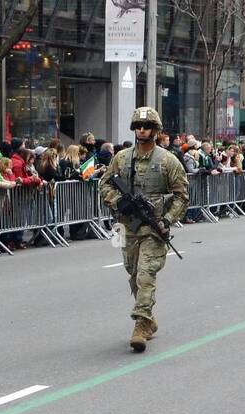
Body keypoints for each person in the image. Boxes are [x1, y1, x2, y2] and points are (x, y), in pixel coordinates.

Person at [99, 106, 189, 352]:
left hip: (154, 226)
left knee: (145, 272)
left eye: (147, 126)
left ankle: (140, 323)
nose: (142, 130)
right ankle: (149, 318)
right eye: (138, 126)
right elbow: (104, 184)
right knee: (132, 272)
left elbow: (182, 196)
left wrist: (167, 220)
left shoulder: (167, 161)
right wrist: (117, 201)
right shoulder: (122, 158)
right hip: (127, 227)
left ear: (155, 130)